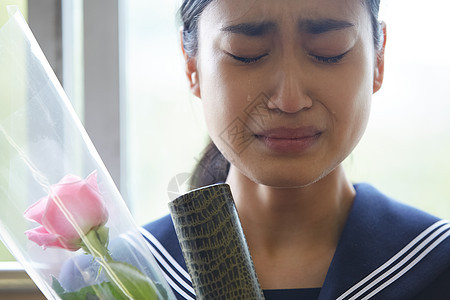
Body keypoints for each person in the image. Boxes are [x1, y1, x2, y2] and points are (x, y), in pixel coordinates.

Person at [142, 0, 450, 299]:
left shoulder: (437, 265)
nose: (289, 100)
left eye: (329, 50)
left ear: (378, 59)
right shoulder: (124, 276)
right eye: (246, 53)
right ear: (191, 64)